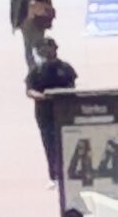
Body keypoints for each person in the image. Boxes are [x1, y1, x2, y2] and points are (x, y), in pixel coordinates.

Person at [24, 35, 79, 181]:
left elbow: (72, 86)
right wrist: (42, 96)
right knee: (49, 143)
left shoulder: (65, 68)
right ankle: (53, 175)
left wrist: (64, 96)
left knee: (67, 141)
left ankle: (69, 171)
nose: (48, 51)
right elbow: (29, 90)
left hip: (65, 111)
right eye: (44, 49)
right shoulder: (37, 71)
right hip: (45, 113)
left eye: (51, 47)